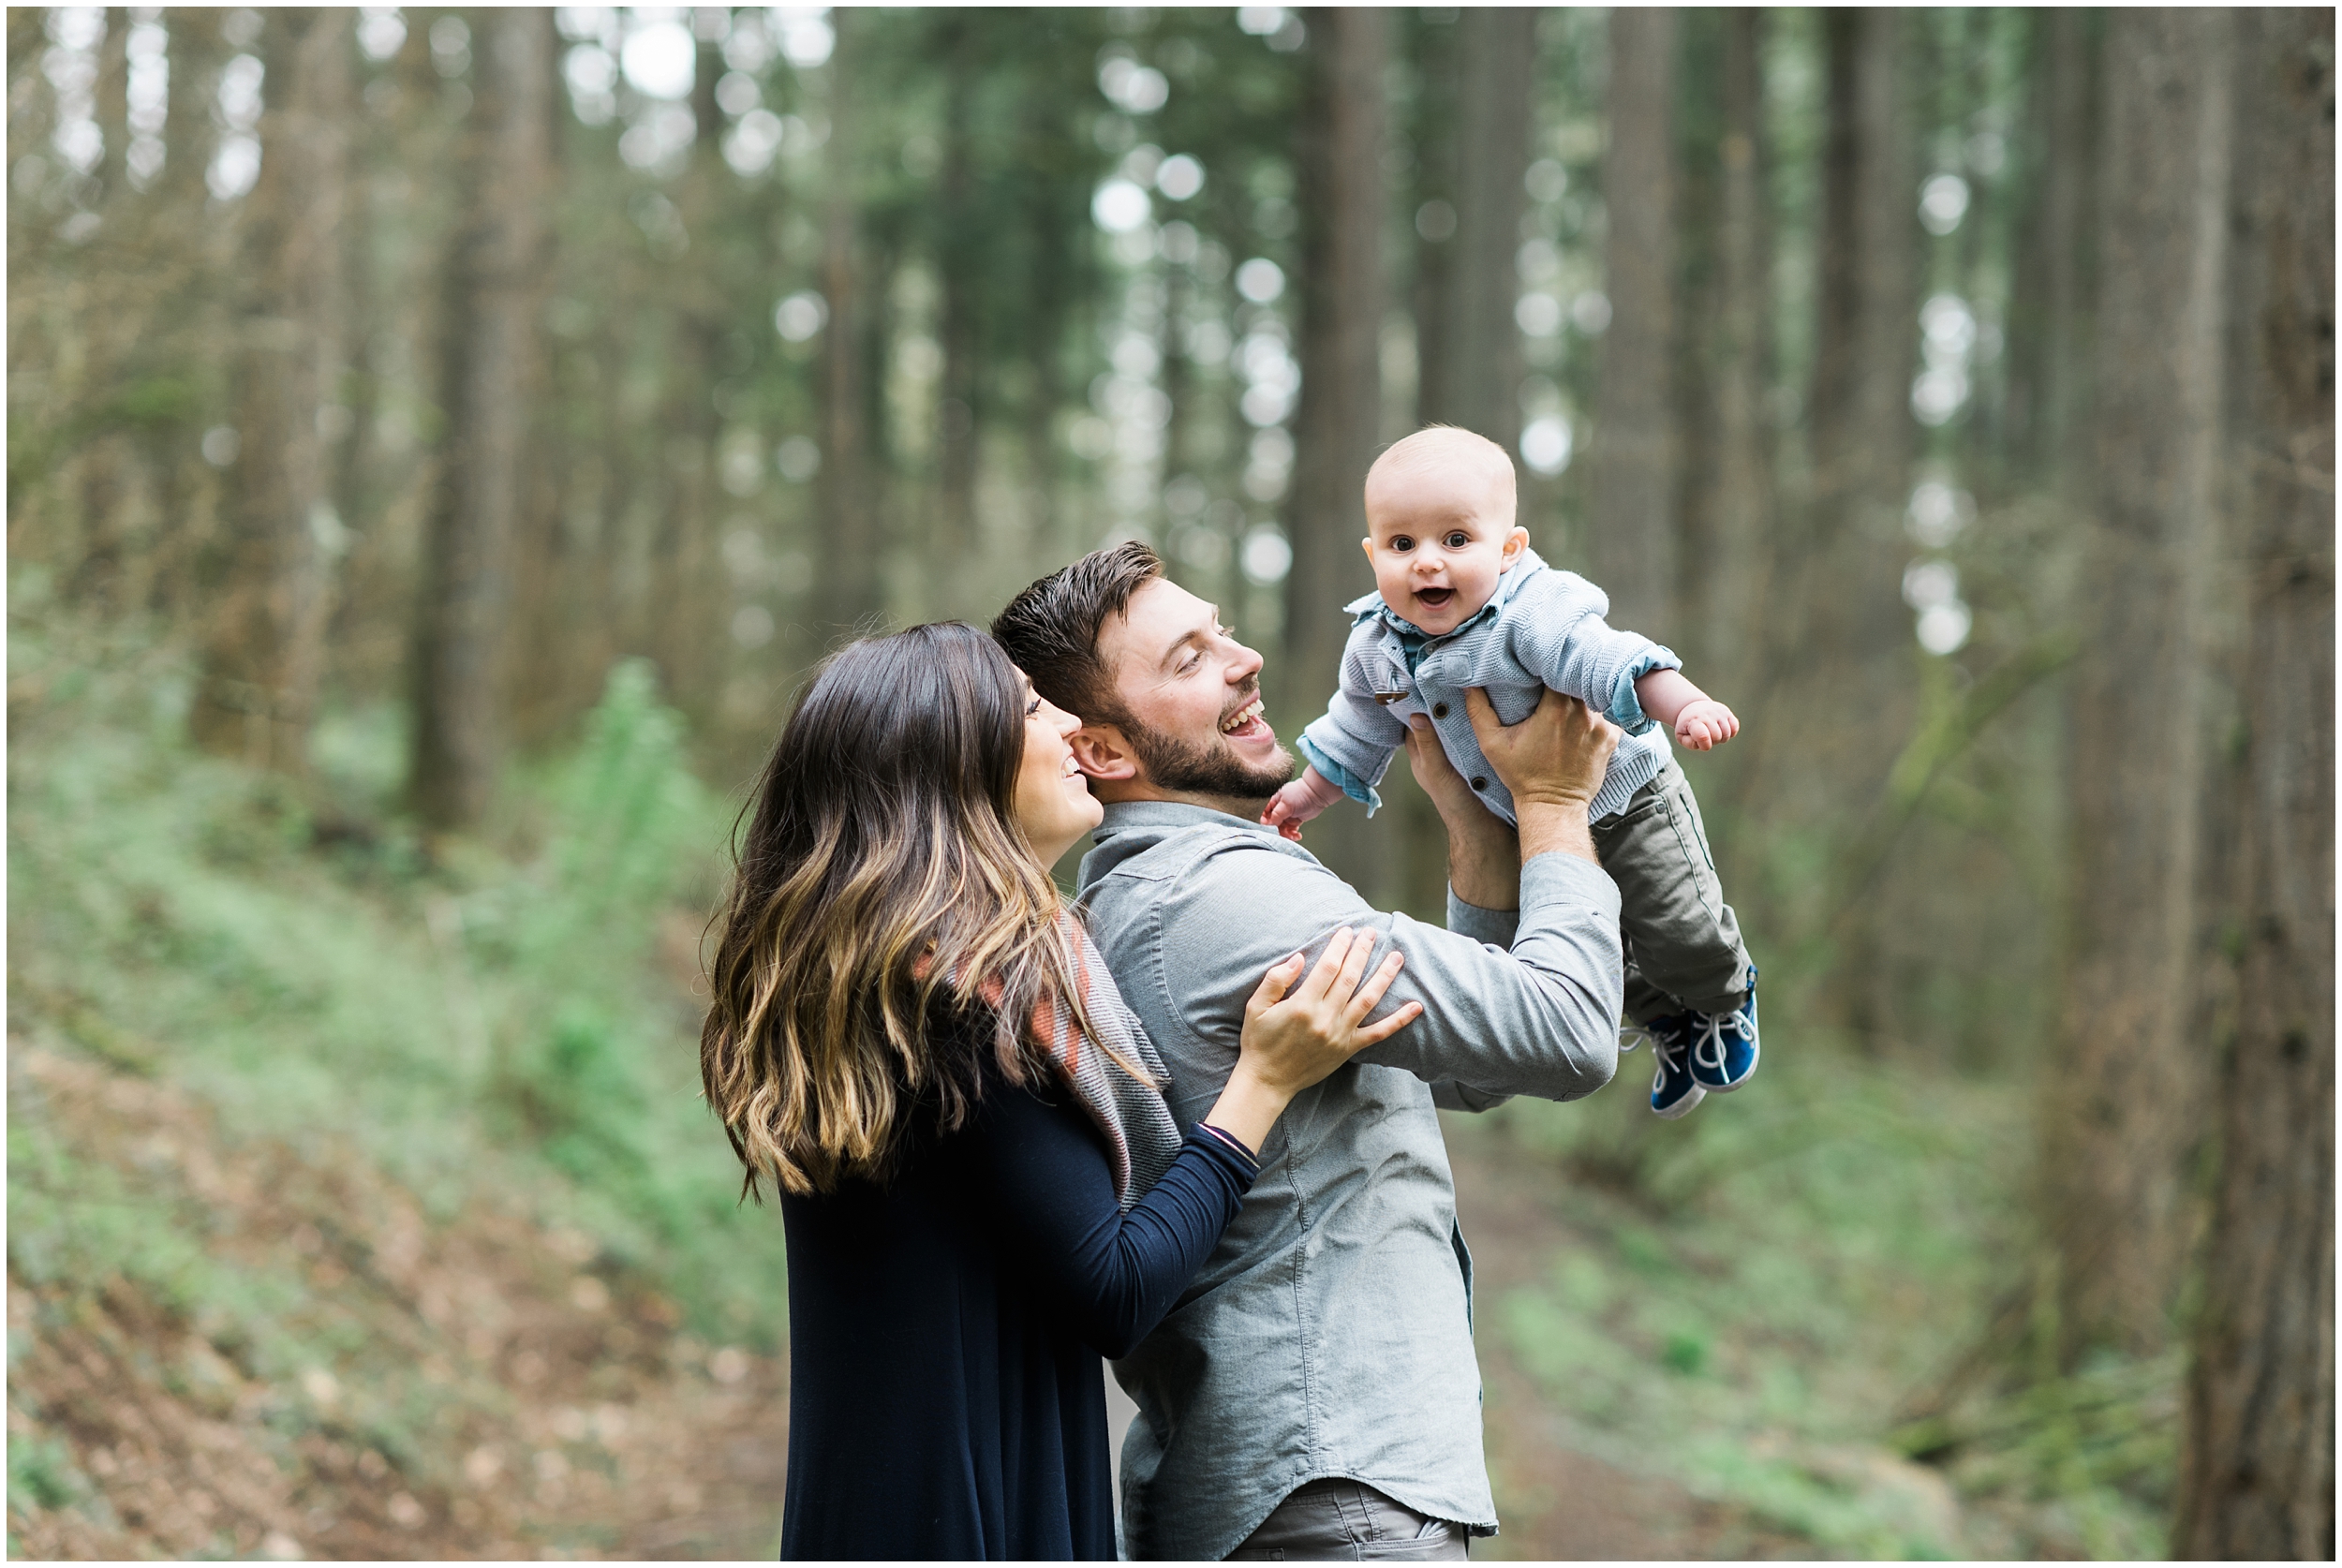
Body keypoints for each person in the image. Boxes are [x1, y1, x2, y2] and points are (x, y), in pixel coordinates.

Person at [698, 621, 1424, 1561]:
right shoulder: (958, 1003)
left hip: (886, 1508)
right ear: (958, 764)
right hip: (972, 1520)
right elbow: (1114, 1289)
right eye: (1038, 709)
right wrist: (1262, 1081)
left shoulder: (871, 986)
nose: (1074, 725)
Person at [993, 547, 1622, 1561]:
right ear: (1104, 751)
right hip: (1335, 1490)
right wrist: (1552, 805)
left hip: (1300, 1479)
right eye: (1191, 658)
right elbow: (1566, 1033)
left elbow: (1476, 1063)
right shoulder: (1229, 900)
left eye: (1221, 630)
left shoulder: (1154, 893)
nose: (1243, 660)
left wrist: (1470, 831)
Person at [1262, 424, 1760, 1117]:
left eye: (1456, 541)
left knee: (1678, 932)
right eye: (1402, 545)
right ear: (1373, 554)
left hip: (1629, 801)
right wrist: (1308, 794)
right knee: (1603, 951)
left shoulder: (1530, 611)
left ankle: (1725, 999)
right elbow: (1356, 726)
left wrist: (1686, 705)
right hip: (1528, 826)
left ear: (1510, 548)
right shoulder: (1374, 645)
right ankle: (1669, 1024)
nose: (1428, 563)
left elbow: (1608, 659)